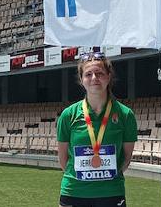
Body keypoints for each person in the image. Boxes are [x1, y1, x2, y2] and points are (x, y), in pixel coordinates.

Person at [57, 53, 137, 207]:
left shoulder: (126, 115)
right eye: (88, 74)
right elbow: (63, 160)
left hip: (111, 193)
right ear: (81, 80)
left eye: (99, 73)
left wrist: (107, 176)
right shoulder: (68, 115)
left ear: (108, 76)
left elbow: (126, 159)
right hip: (74, 192)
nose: (94, 78)